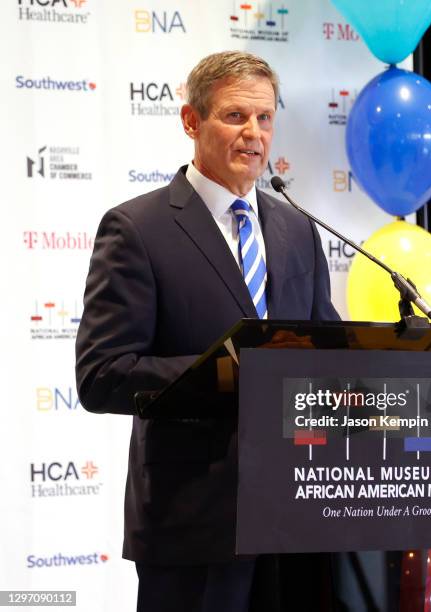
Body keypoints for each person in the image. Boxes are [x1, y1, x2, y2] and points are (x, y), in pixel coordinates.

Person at [75, 51, 339, 612]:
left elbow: (326, 351)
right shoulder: (137, 230)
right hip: (193, 524)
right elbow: (102, 375)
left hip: (300, 517)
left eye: (265, 119)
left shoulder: (298, 229)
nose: (254, 134)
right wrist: (234, 373)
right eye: (235, 116)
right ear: (191, 122)